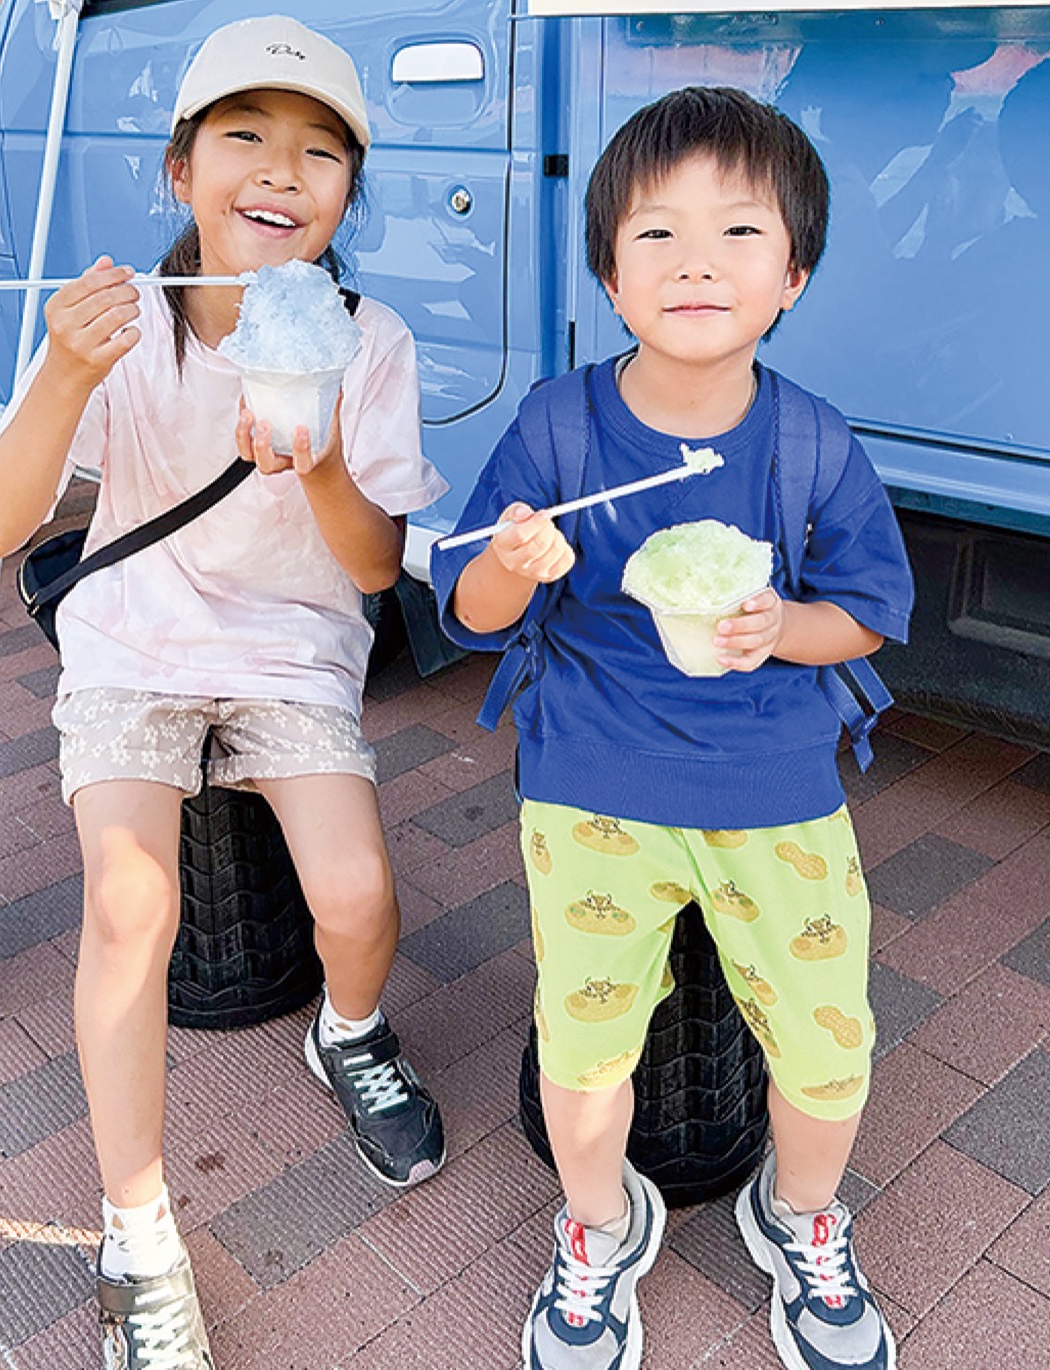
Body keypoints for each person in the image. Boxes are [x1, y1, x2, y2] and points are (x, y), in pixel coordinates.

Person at [0, 16, 447, 1368]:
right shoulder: (123, 321)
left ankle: (347, 1032)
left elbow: (368, 568)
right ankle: (138, 1228)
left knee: (357, 898)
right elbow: (2, 525)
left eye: (318, 151)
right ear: (182, 170)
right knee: (130, 904)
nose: (279, 172)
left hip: (292, 640)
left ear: (348, 191)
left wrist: (321, 459)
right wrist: (62, 368)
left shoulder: (369, 335)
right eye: (244, 137)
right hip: (136, 637)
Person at [433, 87, 913, 1370]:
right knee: (584, 1052)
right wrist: (518, 563)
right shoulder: (558, 422)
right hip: (592, 782)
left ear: (793, 273)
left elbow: (867, 613)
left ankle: (799, 1213)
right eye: (656, 233)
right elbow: (472, 609)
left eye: (739, 231)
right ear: (606, 267)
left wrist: (783, 627)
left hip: (777, 785)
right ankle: (596, 1225)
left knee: (829, 1048)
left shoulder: (811, 440)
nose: (696, 259)